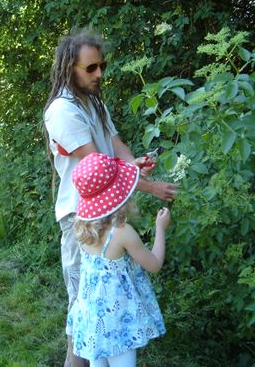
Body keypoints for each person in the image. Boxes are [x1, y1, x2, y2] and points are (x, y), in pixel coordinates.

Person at [43, 28, 177, 367]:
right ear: (69, 68)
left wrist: (135, 167)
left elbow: (114, 146)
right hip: (81, 216)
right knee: (83, 308)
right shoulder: (62, 111)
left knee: (105, 305)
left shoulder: (93, 101)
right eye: (90, 68)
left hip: (109, 208)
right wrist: (149, 186)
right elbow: (92, 162)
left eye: (101, 65)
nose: (99, 73)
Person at [67, 152, 170, 367]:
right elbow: (155, 264)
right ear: (120, 192)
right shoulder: (122, 233)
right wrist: (161, 229)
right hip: (116, 322)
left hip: (90, 317)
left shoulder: (82, 227)